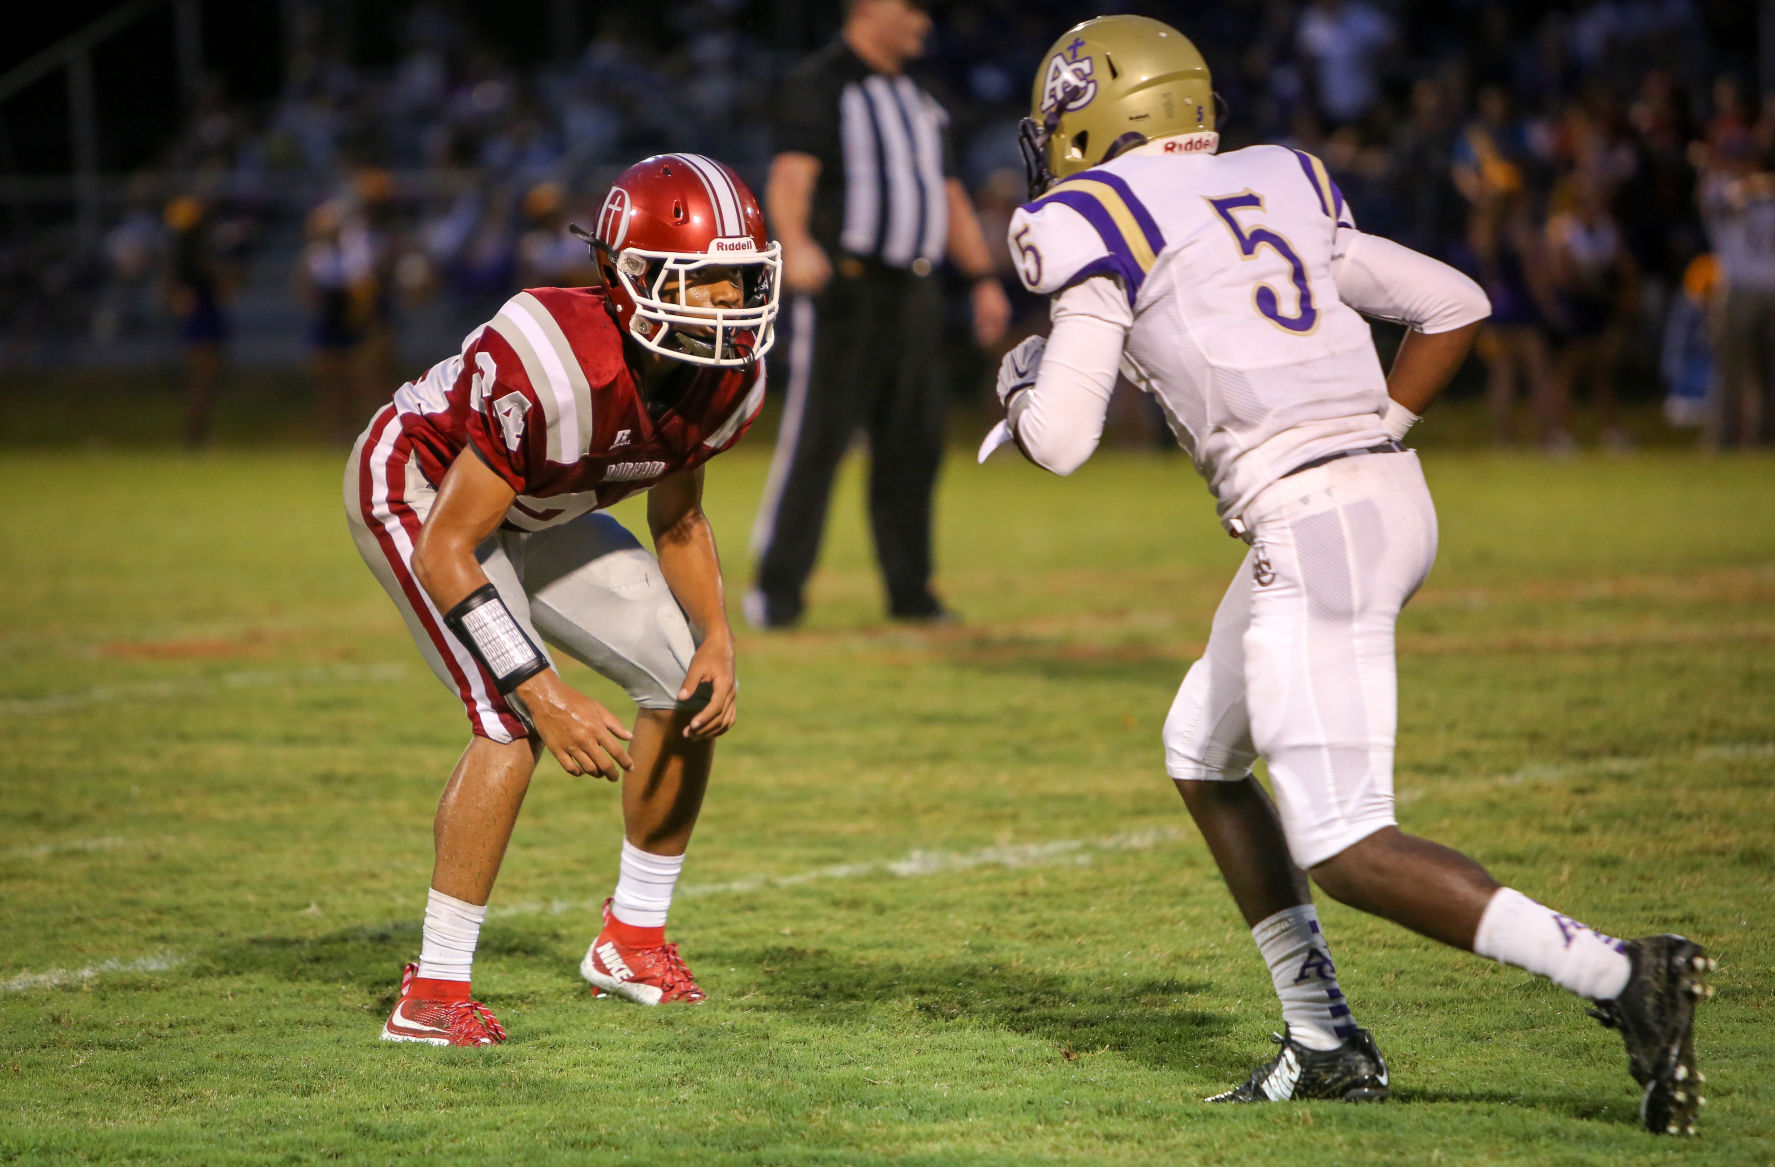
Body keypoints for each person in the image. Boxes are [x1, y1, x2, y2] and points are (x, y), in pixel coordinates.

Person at [984, 16, 1713, 1132]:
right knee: (1200, 750)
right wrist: (1372, 426)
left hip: (1309, 521)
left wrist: (1020, 387)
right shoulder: (1279, 175)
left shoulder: (1091, 215)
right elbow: (1452, 302)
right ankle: (1321, 1038)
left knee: (1344, 842)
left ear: (1092, 115)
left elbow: (1063, 438)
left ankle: (1622, 975)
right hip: (1382, 498)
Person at [344, 153, 780, 1046]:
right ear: (632, 279)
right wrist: (541, 690)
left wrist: (717, 637)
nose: (730, 303)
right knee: (508, 722)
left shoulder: (730, 378)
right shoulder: (551, 360)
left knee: (679, 682)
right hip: (426, 497)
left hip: (542, 507)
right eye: (705, 282)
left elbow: (681, 520)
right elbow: (450, 548)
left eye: (741, 279)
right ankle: (431, 991)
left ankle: (632, 939)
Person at [745, 0, 1011, 629]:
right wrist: (797, 243)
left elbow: (946, 193)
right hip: (847, 289)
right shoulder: (821, 83)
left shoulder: (918, 96)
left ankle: (911, 594)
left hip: (916, 294)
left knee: (913, 447)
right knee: (817, 443)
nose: (924, 18)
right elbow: (790, 177)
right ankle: (776, 595)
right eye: (910, 7)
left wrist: (981, 279)